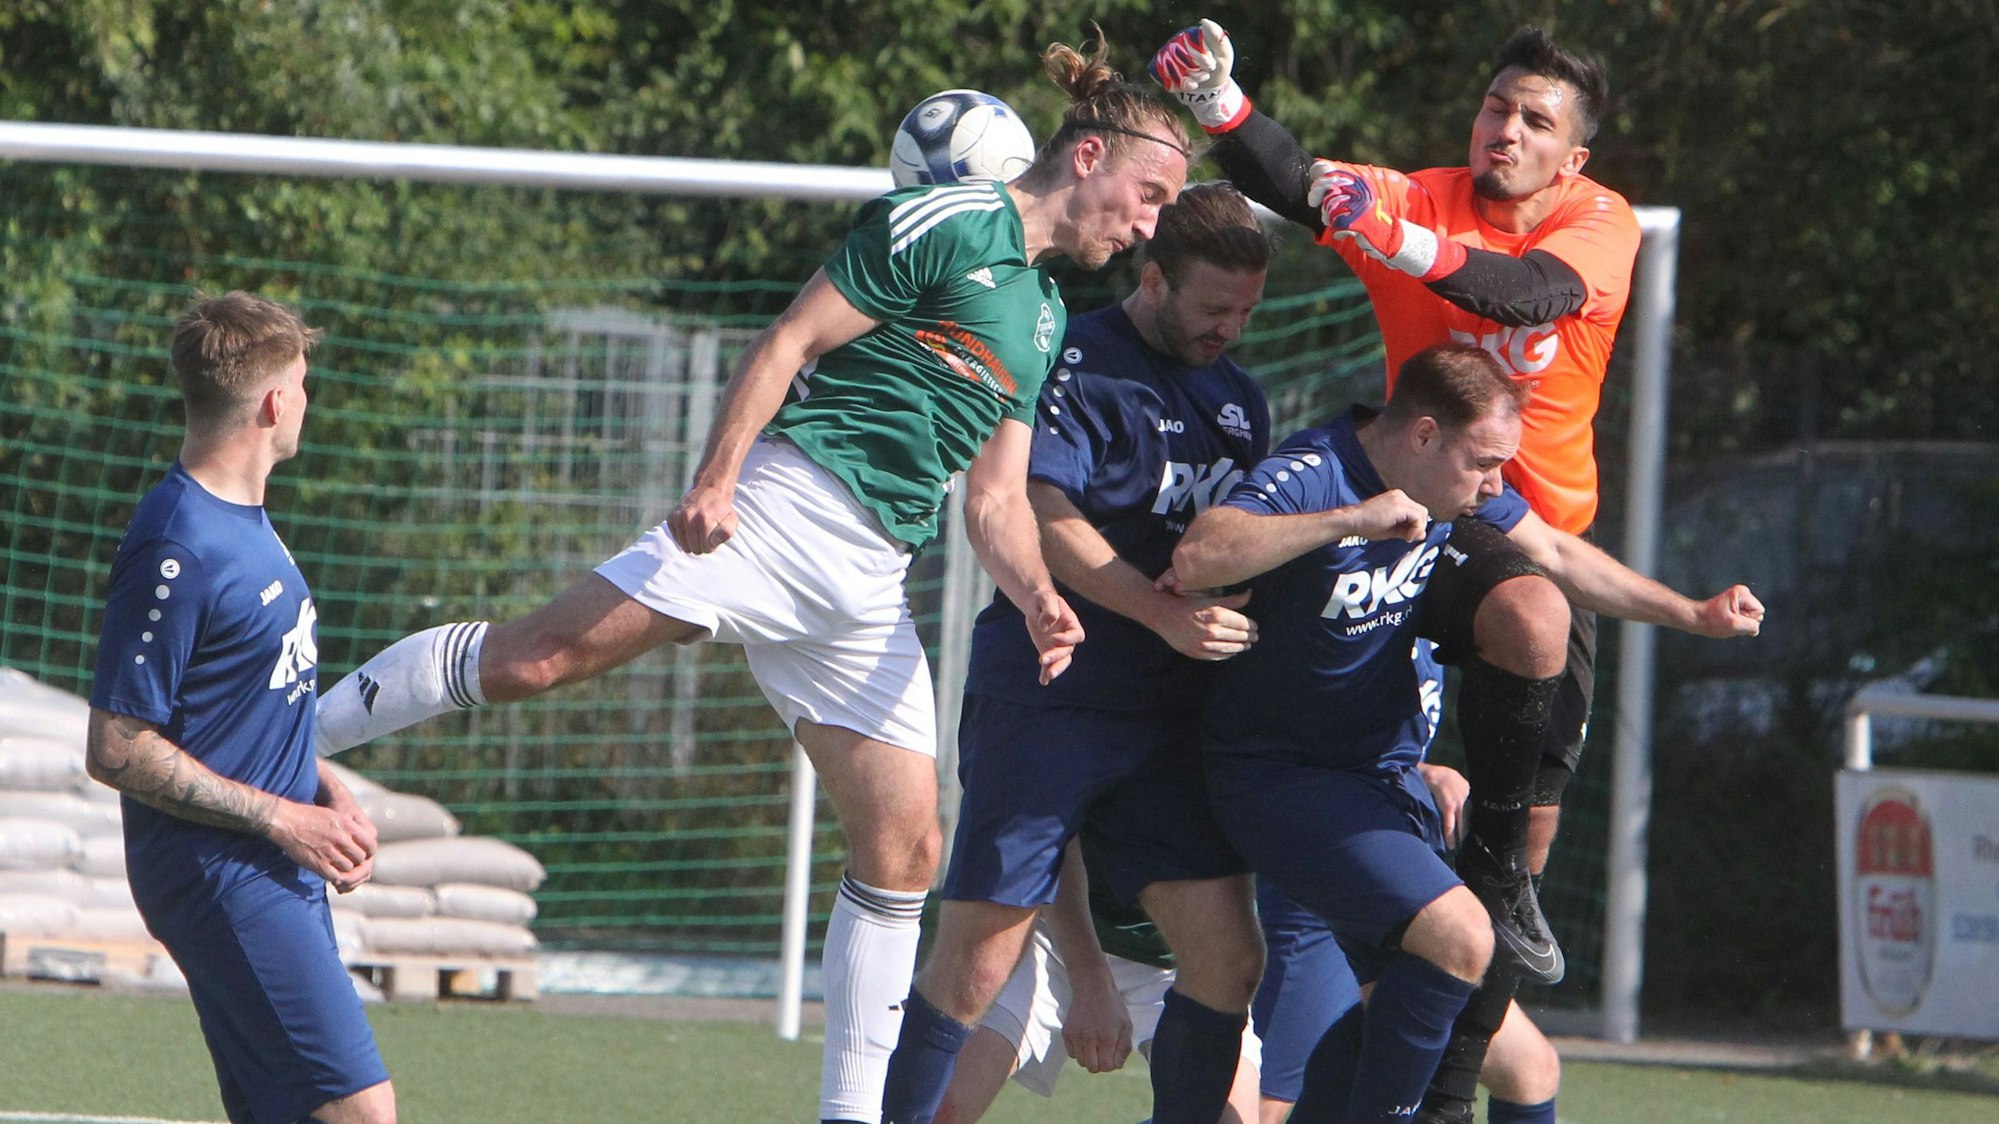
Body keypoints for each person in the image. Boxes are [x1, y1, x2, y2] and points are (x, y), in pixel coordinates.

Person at [311, 30, 1190, 1124]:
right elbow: (788, 339)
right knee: (535, 659)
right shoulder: (942, 217)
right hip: (786, 506)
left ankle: (849, 1115)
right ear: (1093, 156)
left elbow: (995, 500)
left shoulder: (1049, 314)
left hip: (872, 576)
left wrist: (1035, 593)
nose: (1153, 223)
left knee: (905, 845)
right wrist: (718, 477)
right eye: (1152, 193)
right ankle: (288, 744)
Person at [1154, 19, 1638, 1119]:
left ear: (1573, 157)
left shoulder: (1598, 223)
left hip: (1540, 534)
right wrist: (1225, 109)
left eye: (1534, 120)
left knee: (1505, 866)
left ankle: (1493, 894)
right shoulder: (1418, 190)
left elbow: (1519, 294)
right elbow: (1300, 181)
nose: (1503, 129)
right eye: (1494, 105)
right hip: (1439, 525)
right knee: (1513, 618)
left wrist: (1391, 237)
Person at [1172, 343, 1761, 1123]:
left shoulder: (1457, 493)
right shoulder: (1316, 471)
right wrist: (1349, 520)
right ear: (1420, 436)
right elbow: (1199, 554)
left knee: (1505, 1045)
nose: (1493, 485)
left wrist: (1689, 613)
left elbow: (1551, 551)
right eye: (1483, 462)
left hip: (1385, 787)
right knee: (1460, 939)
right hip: (1281, 779)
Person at [880, 179, 1273, 1124]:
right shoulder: (1077, 357)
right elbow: (1042, 512)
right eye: (1214, 307)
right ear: (1152, 278)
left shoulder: (1239, 400)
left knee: (1226, 952)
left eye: (1247, 311)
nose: (1230, 328)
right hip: (1053, 689)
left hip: (1169, 717)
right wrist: (1159, 612)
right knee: (979, 953)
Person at [85, 292, 394, 1124]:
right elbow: (116, 747)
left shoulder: (246, 522)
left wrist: (321, 787)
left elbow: (237, 703)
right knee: (362, 1113)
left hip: (269, 862)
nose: (305, 400)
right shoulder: (179, 542)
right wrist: (281, 819)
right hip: (218, 873)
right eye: (302, 382)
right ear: (272, 401)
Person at [933, 841, 1262, 1124]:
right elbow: (1050, 839)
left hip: (1182, 960)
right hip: (1053, 936)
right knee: (940, 1105)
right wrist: (1091, 981)